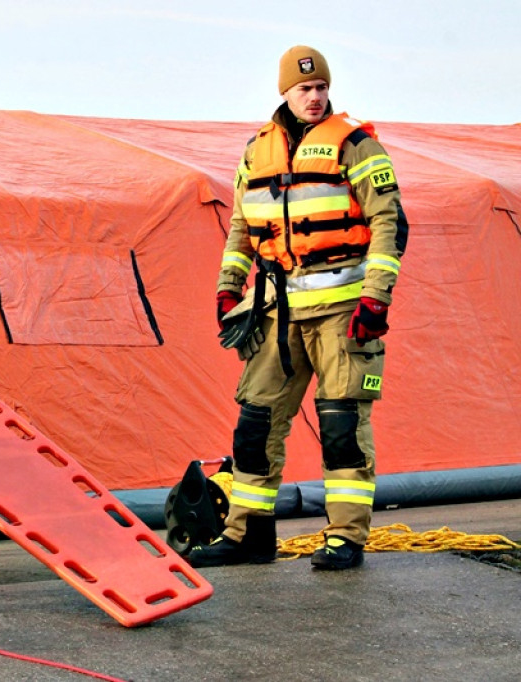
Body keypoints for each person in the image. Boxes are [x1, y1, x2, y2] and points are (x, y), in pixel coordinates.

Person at [188, 46, 408, 571]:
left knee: (341, 426)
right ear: (285, 91)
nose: (315, 96)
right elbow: (242, 228)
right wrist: (229, 287)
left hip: (343, 312)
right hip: (275, 312)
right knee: (255, 425)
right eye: (305, 88)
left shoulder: (356, 145)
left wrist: (375, 297)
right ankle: (247, 536)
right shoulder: (255, 152)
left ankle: (345, 538)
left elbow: (389, 223)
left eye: (321, 87)